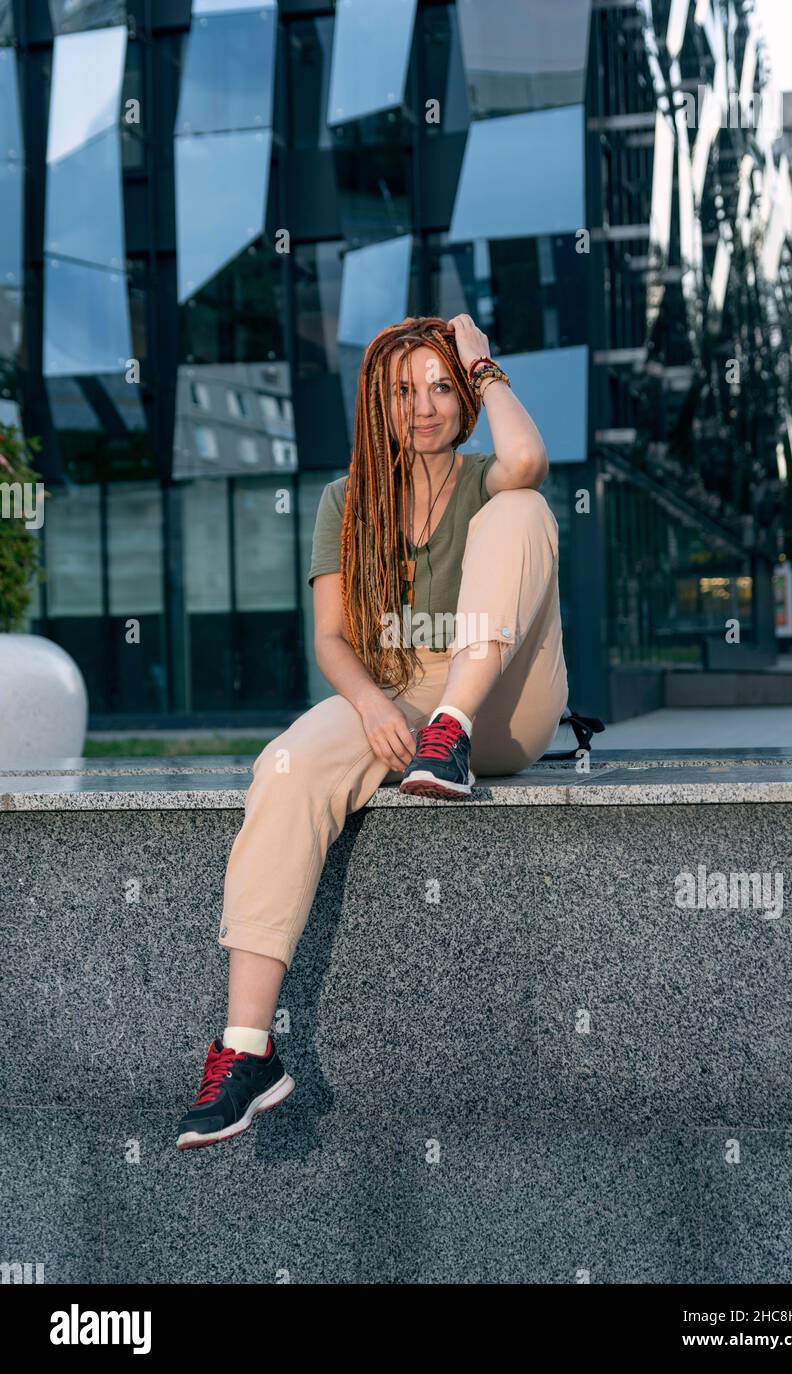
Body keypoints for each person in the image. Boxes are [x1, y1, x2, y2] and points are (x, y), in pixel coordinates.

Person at [176, 313, 569, 1149]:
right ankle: (247, 1051)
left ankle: (451, 735)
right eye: (402, 390)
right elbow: (330, 636)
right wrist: (369, 704)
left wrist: (484, 362)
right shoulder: (343, 499)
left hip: (500, 700)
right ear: (376, 404)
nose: (423, 406)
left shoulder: (483, 476)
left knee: (521, 506)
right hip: (396, 699)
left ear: (464, 397)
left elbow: (528, 459)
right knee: (285, 764)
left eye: (440, 386)